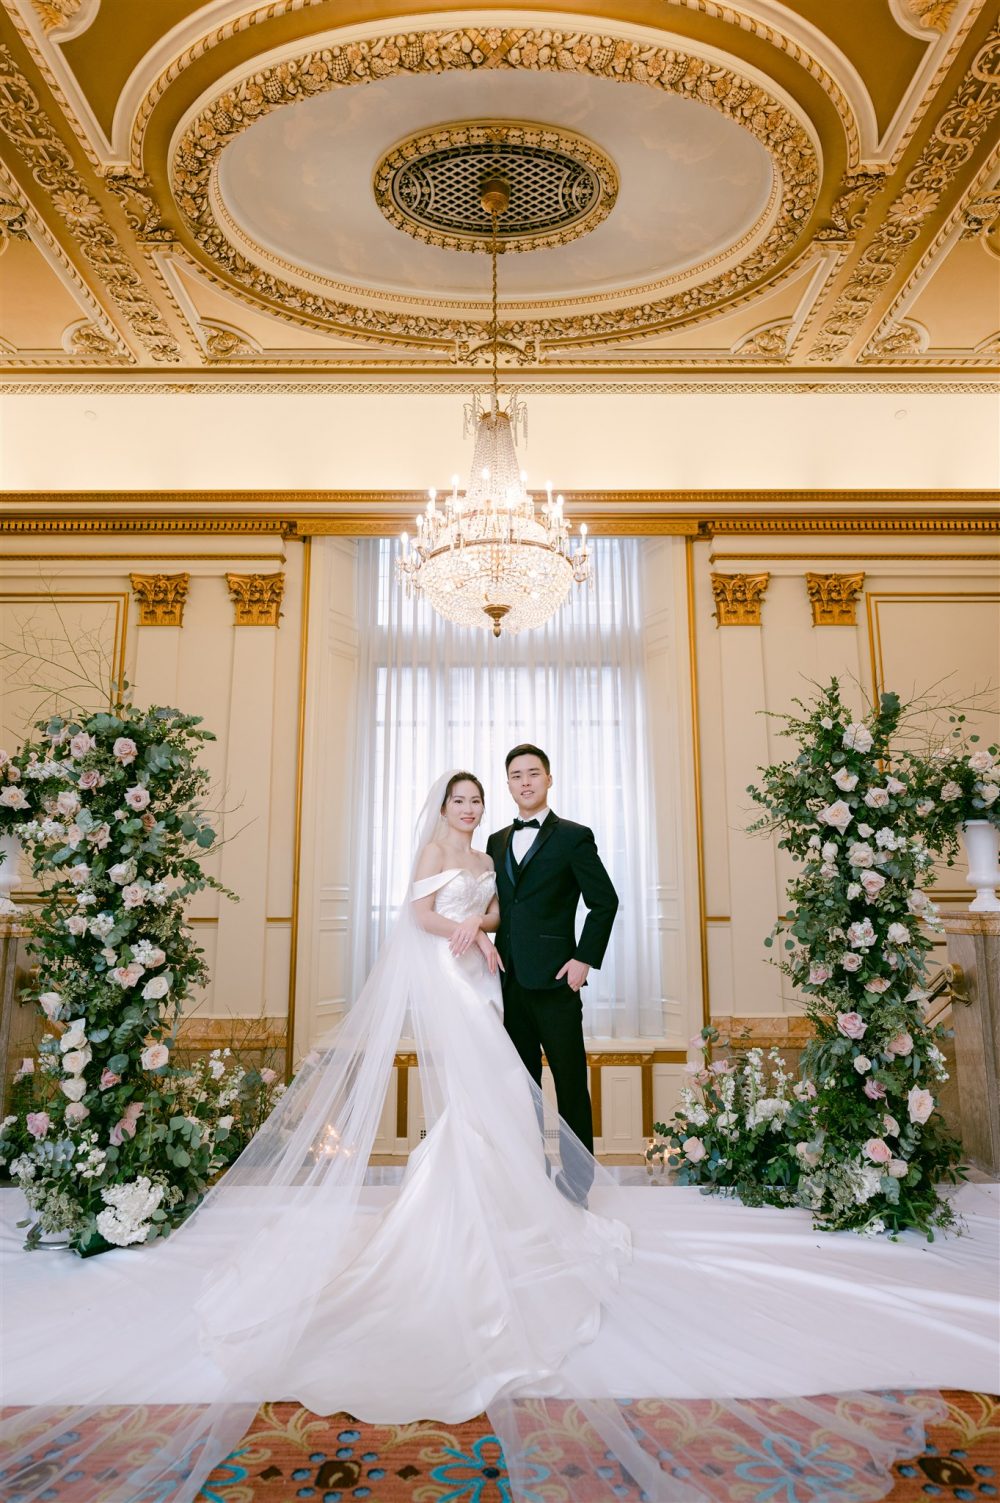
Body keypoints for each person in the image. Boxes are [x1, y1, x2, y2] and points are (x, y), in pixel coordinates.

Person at [0, 772, 991, 1503]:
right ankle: (471, 1213)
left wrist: (533, 952)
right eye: (467, 800)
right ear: (450, 804)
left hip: (500, 983)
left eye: (486, 800)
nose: (474, 813)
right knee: (481, 1098)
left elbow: (558, 906)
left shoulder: (501, 855)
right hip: (456, 982)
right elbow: (411, 917)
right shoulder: (443, 859)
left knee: (515, 1100)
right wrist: (462, 938)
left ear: (516, 795)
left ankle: (529, 1197)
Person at [487, 744, 619, 1203]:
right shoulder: (496, 841)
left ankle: (578, 1184)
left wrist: (584, 959)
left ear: (548, 779)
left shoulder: (573, 836)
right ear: (508, 784)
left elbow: (605, 901)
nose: (525, 781)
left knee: (568, 1084)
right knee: (521, 1086)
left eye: (533, 773)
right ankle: (532, 1176)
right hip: (508, 981)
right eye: (516, 775)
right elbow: (498, 909)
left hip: (558, 982)